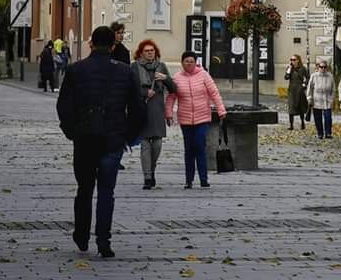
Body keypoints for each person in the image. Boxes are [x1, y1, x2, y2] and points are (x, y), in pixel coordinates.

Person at [56, 26, 145, 258]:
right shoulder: (126, 72)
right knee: (107, 190)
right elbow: (137, 109)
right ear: (113, 46)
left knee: (84, 189)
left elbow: (64, 105)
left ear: (91, 44)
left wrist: (71, 131)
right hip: (113, 138)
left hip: (84, 138)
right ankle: (103, 240)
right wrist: (128, 135)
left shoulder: (76, 70)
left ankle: (82, 235)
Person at [169, 51, 225, 188]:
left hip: (202, 118)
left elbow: (214, 92)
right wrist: (168, 113)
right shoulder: (177, 78)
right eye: (186, 61)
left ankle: (203, 179)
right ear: (182, 63)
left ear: (196, 63)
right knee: (189, 149)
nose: (189, 64)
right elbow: (171, 97)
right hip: (185, 118)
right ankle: (189, 180)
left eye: (191, 61)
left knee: (199, 146)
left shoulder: (203, 75)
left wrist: (221, 109)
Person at [130, 40, 175, 188]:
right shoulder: (134, 67)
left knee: (157, 145)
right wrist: (144, 92)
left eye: (152, 51)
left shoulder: (161, 66)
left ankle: (152, 170)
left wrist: (165, 78)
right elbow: (130, 87)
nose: (150, 53)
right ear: (141, 53)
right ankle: (147, 177)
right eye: (147, 51)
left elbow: (174, 88)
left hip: (157, 110)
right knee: (145, 146)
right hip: (142, 110)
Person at [306, 59, 336, 138]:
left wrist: (332, 99)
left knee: (328, 117)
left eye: (324, 67)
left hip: (327, 100)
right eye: (321, 67)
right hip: (316, 100)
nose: (323, 69)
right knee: (318, 118)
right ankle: (320, 133)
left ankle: (328, 133)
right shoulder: (314, 76)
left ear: (327, 68)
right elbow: (310, 88)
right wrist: (309, 98)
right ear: (318, 67)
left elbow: (333, 89)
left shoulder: (330, 76)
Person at [284, 55, 308, 131]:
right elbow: (286, 77)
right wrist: (289, 70)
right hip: (291, 89)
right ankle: (291, 125)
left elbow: (307, 77)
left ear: (298, 60)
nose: (292, 61)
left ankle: (302, 122)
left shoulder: (303, 68)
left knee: (300, 106)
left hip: (299, 89)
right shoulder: (290, 68)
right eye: (291, 59)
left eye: (294, 59)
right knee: (291, 107)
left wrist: (304, 84)